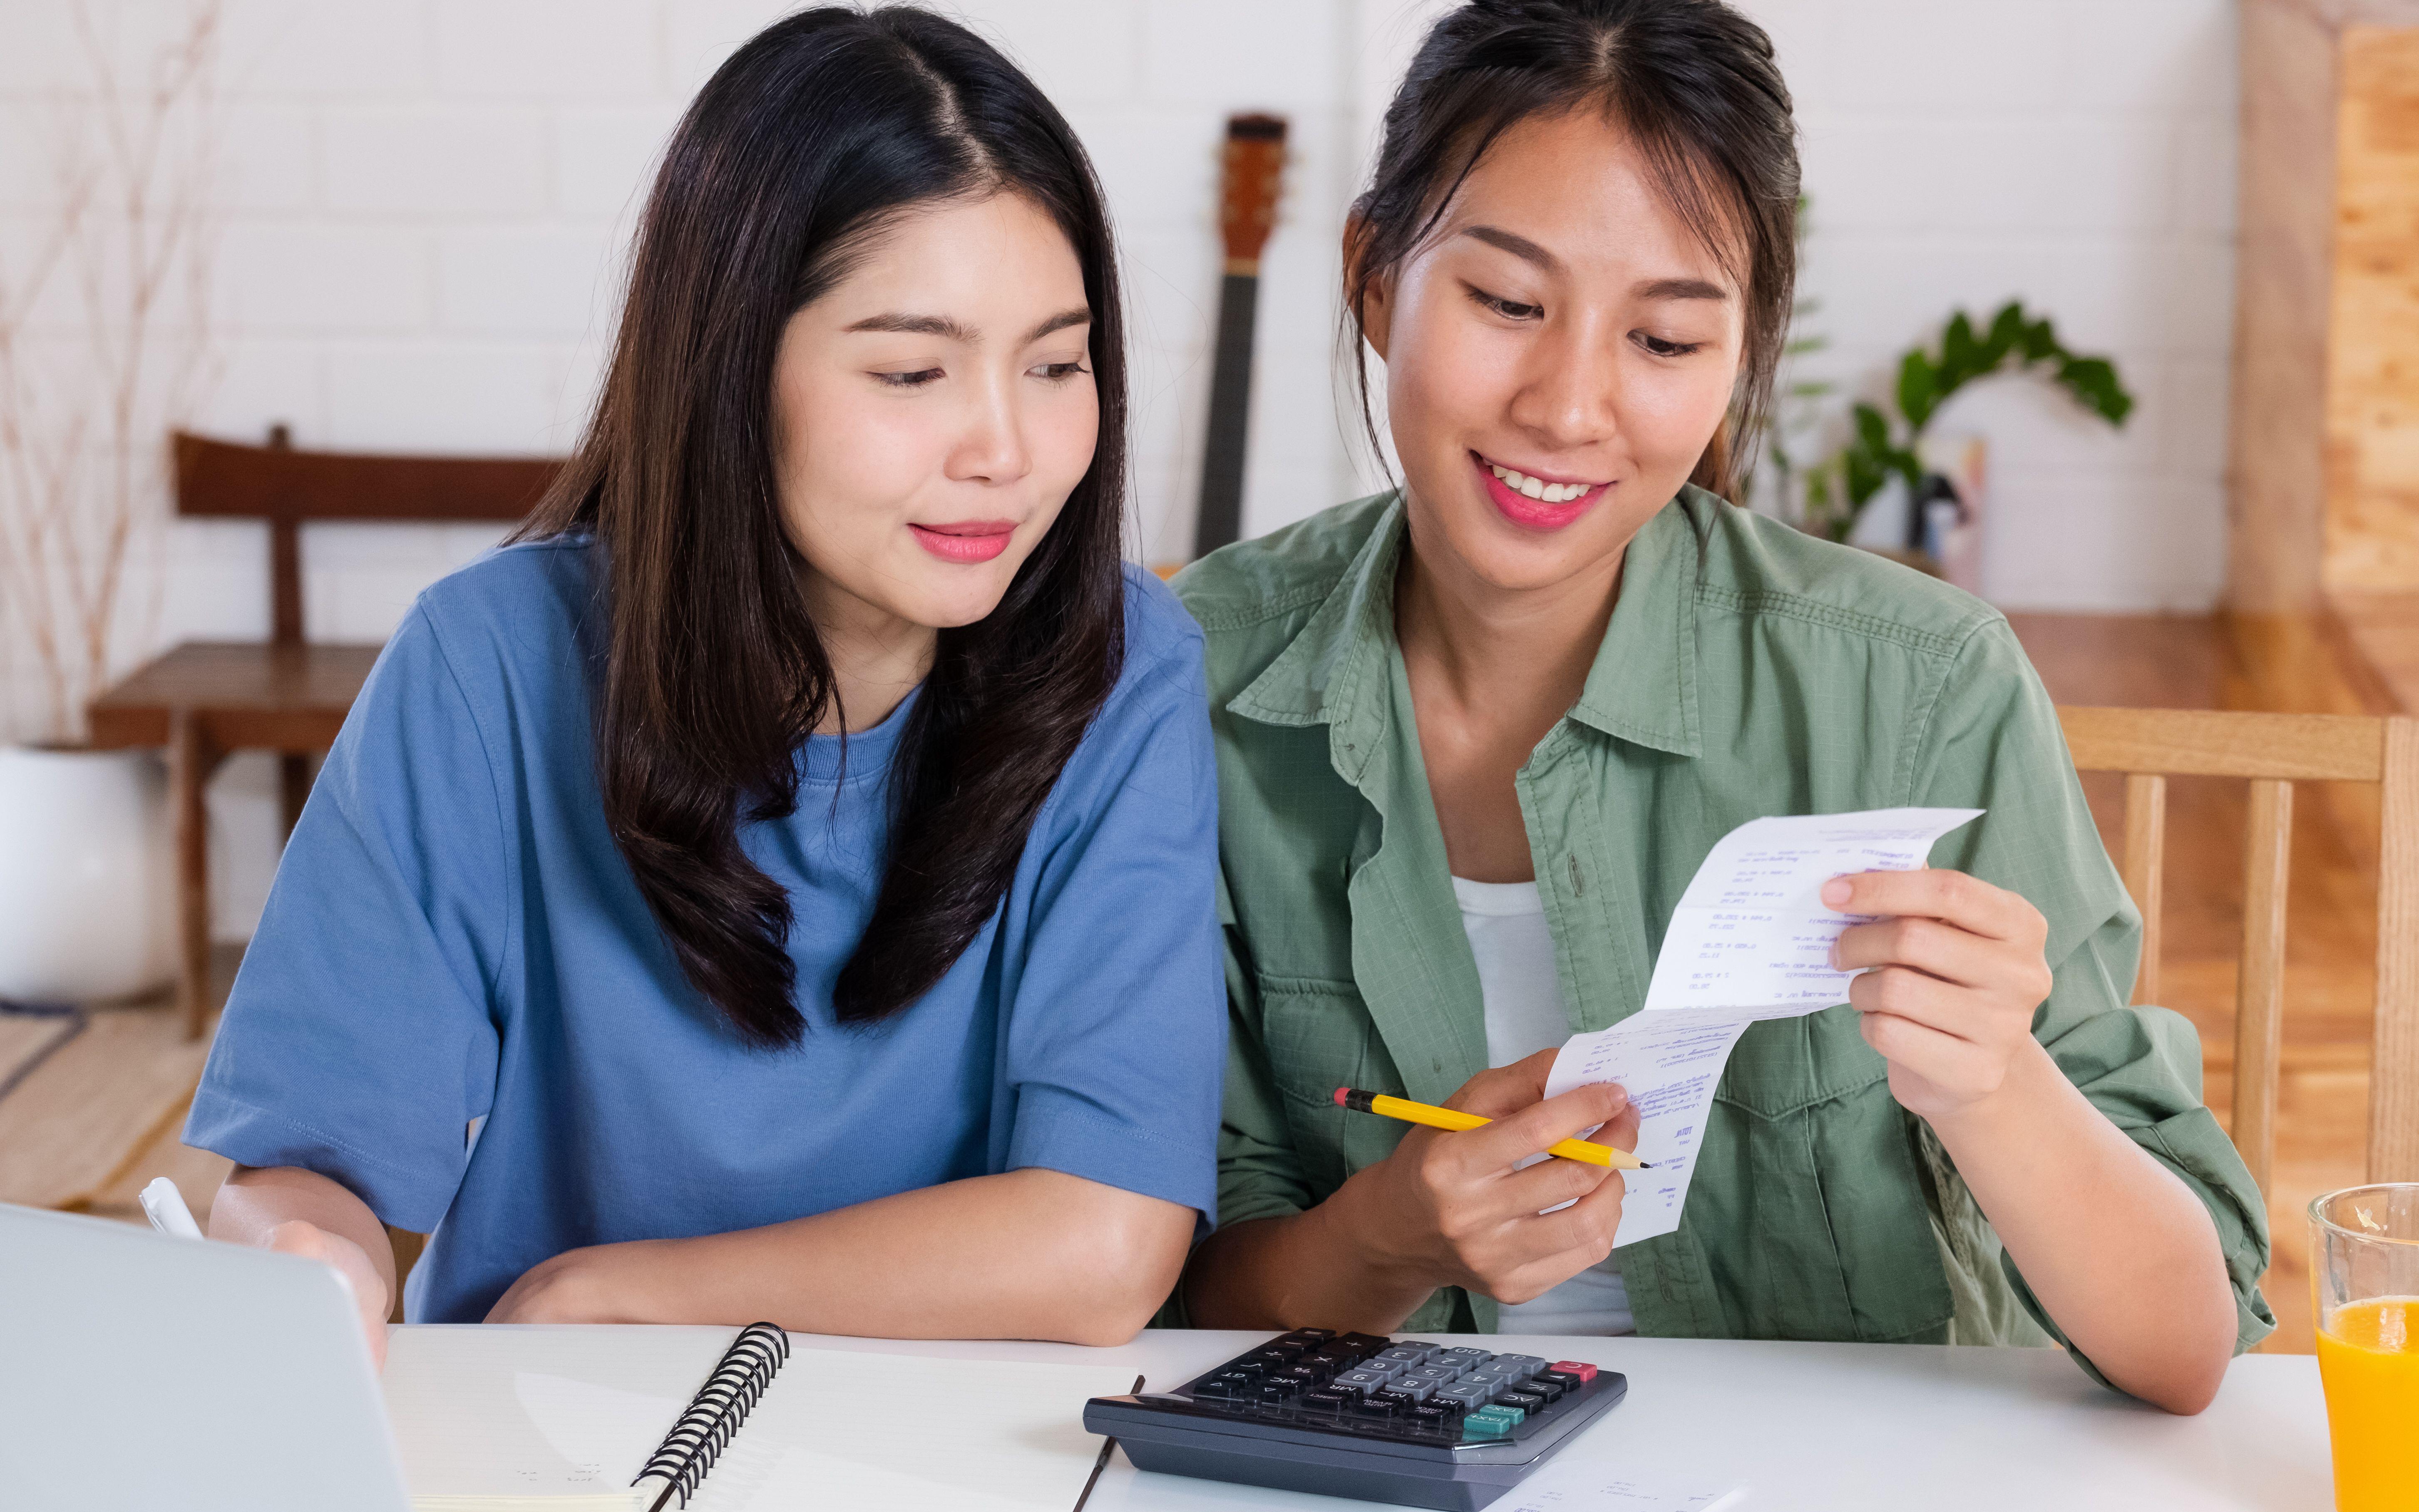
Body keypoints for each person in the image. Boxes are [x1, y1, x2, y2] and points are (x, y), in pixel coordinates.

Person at [1171, 0, 2269, 1414]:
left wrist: (1997, 1087)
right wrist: (1382, 1238)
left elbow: (2190, 1351)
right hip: (1375, 1509)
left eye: (1667, 341)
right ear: (1375, 279)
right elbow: (1178, 1288)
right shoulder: (1188, 679)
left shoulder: (1920, 687)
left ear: (1742, 352)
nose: (1570, 408)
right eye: (1506, 304)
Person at [192, 6, 1223, 1363]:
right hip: (547, 1457)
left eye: (1056, 364)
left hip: (952, 1476)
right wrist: (310, 1256)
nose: (1008, 450)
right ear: (733, 370)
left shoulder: (1126, 671)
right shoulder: (487, 667)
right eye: (914, 370)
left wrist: (615, 1292)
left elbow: (1103, 1245)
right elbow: (302, 1169)